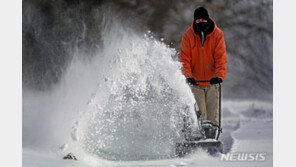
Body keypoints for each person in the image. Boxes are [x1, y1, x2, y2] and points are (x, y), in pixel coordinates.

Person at [179, 7, 227, 138]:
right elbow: (184, 59)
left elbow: (221, 58)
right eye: (198, 19)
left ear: (207, 19)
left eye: (203, 19)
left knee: (212, 113)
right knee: (200, 113)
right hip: (195, 83)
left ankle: (212, 136)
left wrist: (219, 76)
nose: (201, 22)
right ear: (195, 21)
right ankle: (200, 136)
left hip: (212, 82)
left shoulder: (217, 35)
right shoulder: (188, 36)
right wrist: (188, 76)